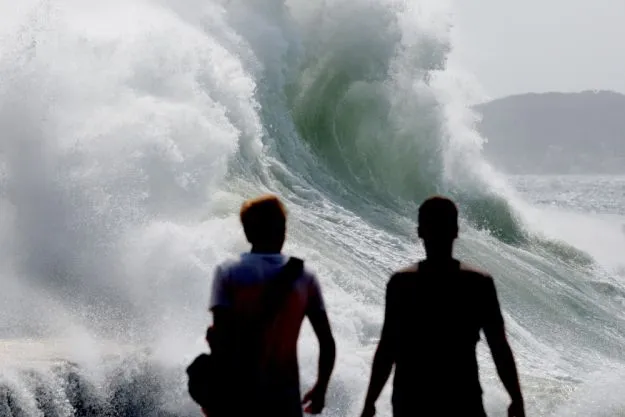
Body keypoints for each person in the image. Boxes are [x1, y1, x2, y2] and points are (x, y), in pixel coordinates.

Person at [360, 196, 525, 417]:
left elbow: (387, 348)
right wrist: (516, 398)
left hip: (412, 401)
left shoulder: (402, 283)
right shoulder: (478, 284)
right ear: (456, 231)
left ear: (419, 231)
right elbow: (499, 347)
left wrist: (370, 401)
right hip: (462, 399)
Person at [207, 194, 336, 417]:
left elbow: (221, 340)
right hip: (284, 398)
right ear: (284, 230)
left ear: (247, 232)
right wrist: (321, 388)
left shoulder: (228, 272)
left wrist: (213, 395)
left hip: (239, 395)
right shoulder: (304, 276)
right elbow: (326, 342)